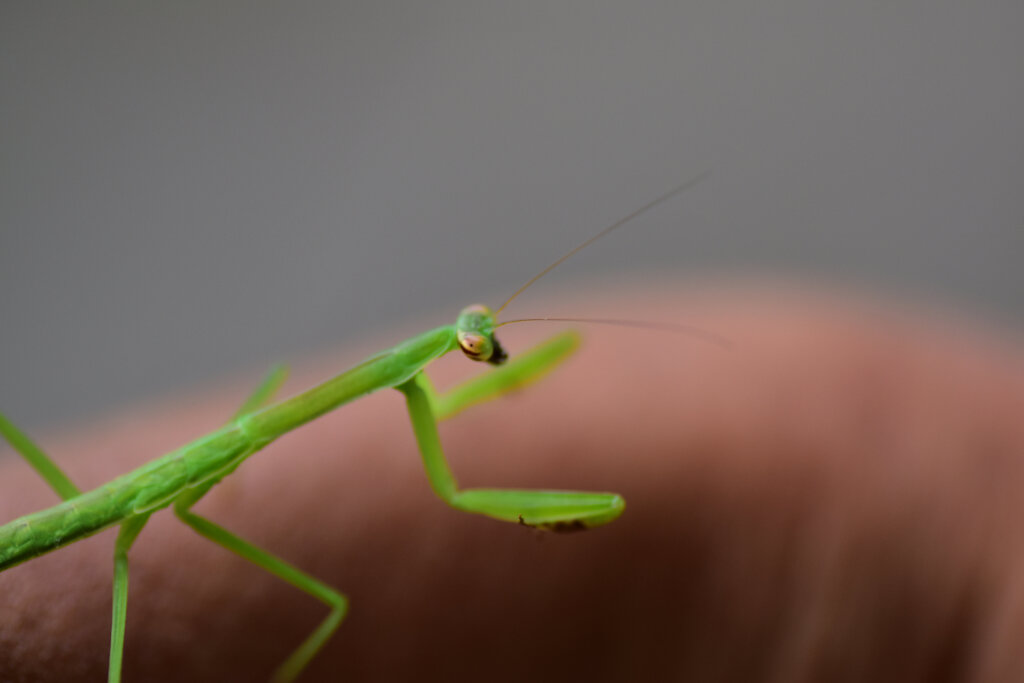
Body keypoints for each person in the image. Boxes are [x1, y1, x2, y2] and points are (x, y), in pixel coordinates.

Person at [2, 283, 1022, 682]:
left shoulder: (398, 385)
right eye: (477, 336)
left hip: (136, 504)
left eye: (481, 337)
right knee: (315, 600)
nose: (482, 345)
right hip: (93, 526)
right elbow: (450, 492)